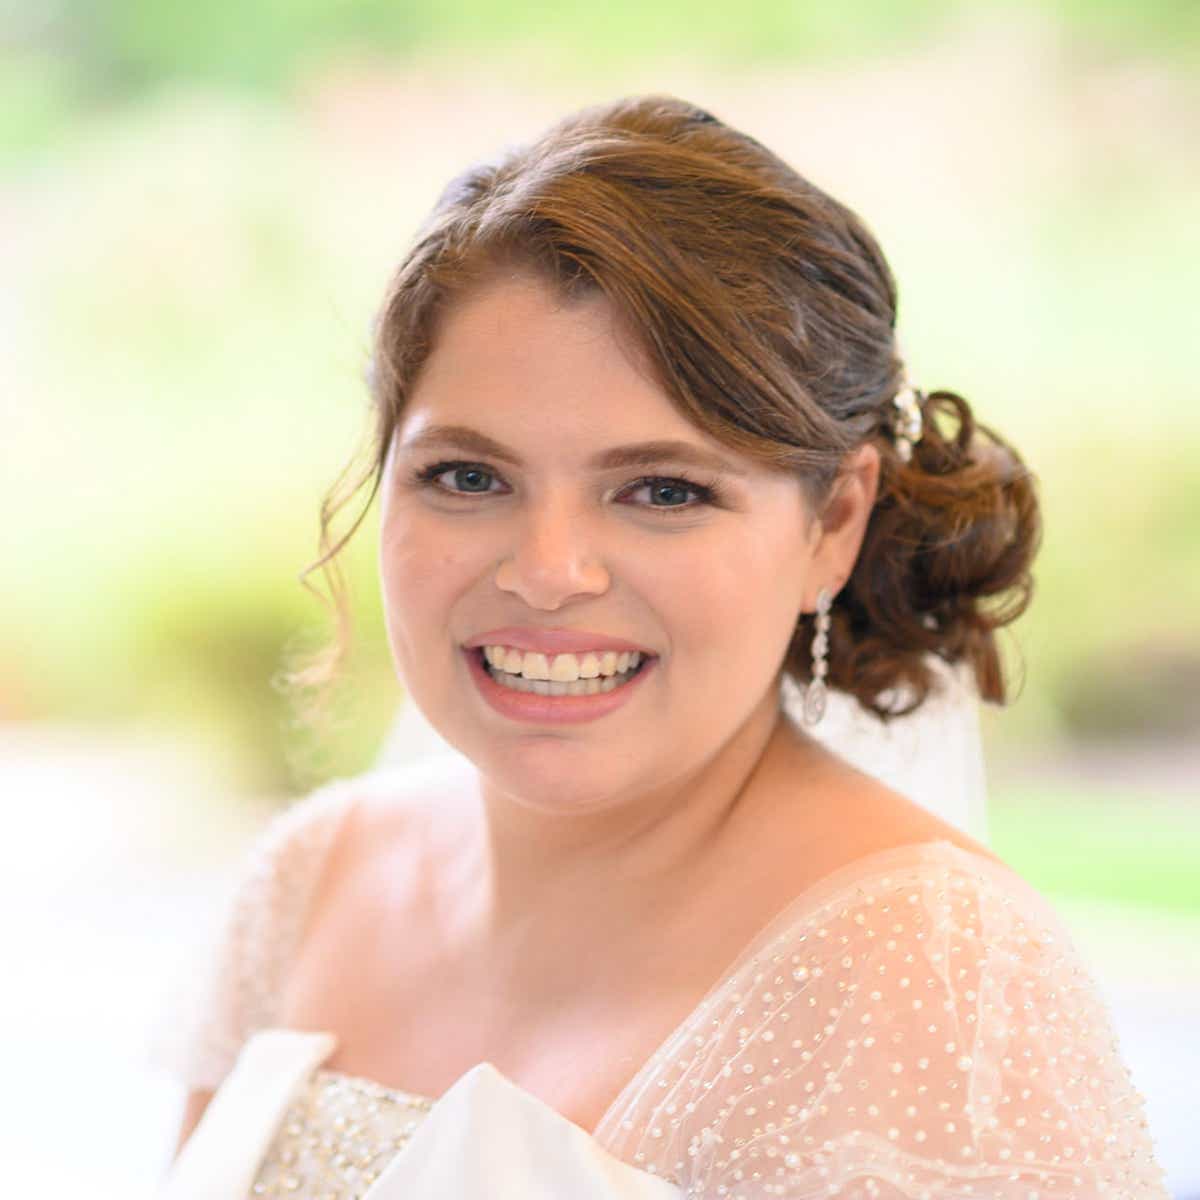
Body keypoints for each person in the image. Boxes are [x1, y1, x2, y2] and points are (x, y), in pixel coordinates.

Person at [152, 95, 1169, 1198]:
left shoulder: (933, 978)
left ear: (833, 523)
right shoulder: (313, 877)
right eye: (468, 477)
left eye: (663, 490)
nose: (547, 570)